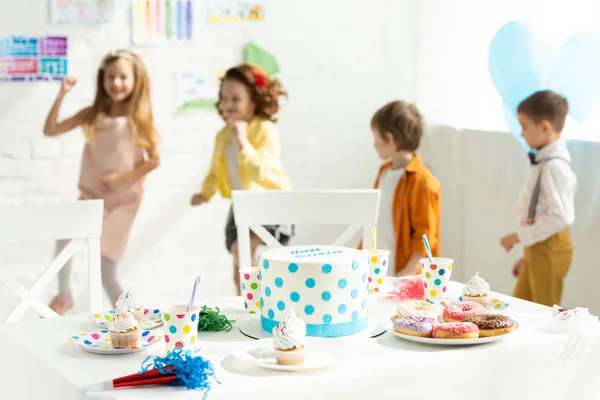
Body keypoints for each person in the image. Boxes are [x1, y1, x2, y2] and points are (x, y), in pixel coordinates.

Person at [43, 50, 160, 314]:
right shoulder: (92, 114)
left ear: (135, 80)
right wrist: (62, 94)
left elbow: (154, 160)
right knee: (64, 238)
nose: (116, 83)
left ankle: (136, 317)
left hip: (123, 201)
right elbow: (51, 130)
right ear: (102, 80)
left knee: (106, 268)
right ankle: (63, 296)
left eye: (122, 77)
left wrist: (123, 178)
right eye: (111, 77)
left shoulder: (138, 118)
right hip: (91, 196)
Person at [190, 64, 291, 295]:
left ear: (254, 101)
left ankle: (263, 300)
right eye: (224, 98)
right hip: (242, 205)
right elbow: (214, 172)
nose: (227, 104)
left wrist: (243, 140)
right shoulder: (222, 136)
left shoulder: (264, 130)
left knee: (245, 252)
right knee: (239, 262)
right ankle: (246, 304)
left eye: (235, 99)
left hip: (271, 203)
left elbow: (260, 172)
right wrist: (205, 193)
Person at [500, 90, 576, 307]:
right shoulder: (544, 161)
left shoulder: (555, 166)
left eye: (525, 127)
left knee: (544, 311)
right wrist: (529, 256)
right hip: (539, 249)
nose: (522, 133)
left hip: (550, 250)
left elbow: (560, 218)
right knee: (521, 307)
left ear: (545, 127)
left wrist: (518, 236)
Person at [369, 100, 441, 276]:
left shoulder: (423, 181)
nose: (374, 144)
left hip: (402, 274)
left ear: (389, 138)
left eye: (376, 138)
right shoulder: (384, 172)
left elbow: (425, 235)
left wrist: (407, 273)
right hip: (378, 269)